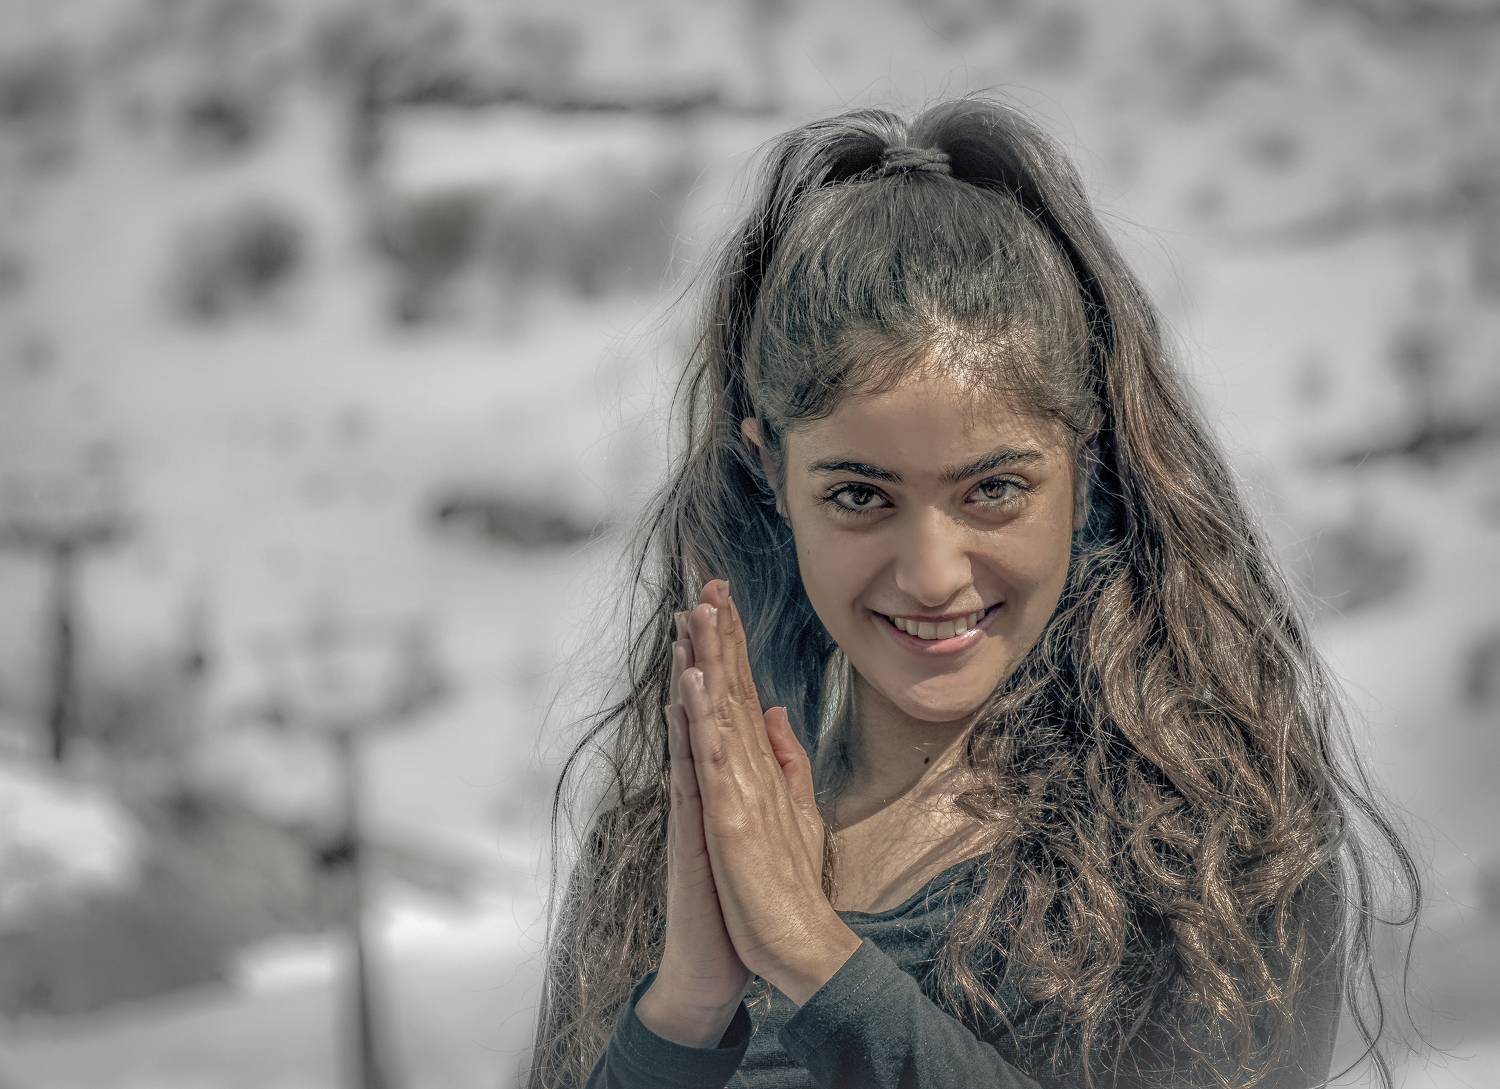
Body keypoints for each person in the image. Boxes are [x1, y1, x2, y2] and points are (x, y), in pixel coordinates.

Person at [523, 95, 1421, 1089]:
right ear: (770, 472)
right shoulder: (671, 849)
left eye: (993, 489)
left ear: (1086, 461)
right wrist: (682, 1016)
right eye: (859, 495)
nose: (933, 573)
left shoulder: (1207, 855)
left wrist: (818, 962)